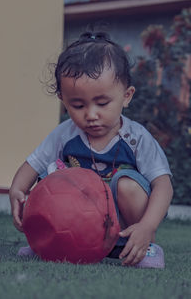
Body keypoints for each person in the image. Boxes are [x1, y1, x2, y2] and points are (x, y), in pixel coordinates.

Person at [9, 32, 173, 268]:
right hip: (79, 225)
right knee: (50, 176)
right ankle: (51, 243)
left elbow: (163, 185)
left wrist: (147, 226)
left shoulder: (137, 139)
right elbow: (32, 165)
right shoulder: (65, 134)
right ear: (63, 100)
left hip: (123, 226)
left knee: (127, 184)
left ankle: (143, 247)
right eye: (78, 105)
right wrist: (17, 190)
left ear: (126, 96)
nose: (91, 114)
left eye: (102, 103)